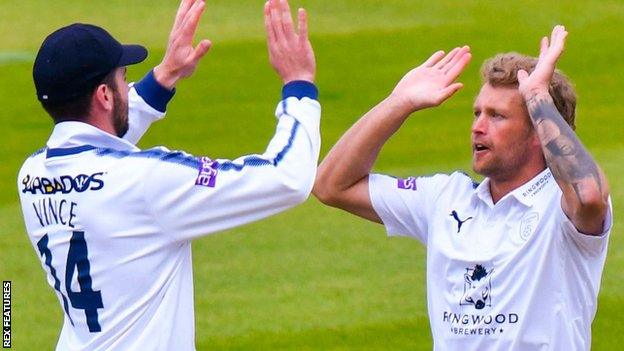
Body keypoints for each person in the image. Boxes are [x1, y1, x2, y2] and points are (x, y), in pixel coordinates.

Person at [17, 0, 319, 349]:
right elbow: (287, 178)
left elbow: (100, 144)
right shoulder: (148, 181)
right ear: (104, 95)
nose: (127, 90)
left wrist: (166, 75)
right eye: (122, 80)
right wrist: (299, 86)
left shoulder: (32, 175)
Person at [313, 26, 611, 350]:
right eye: (477, 113)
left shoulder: (562, 208)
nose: (477, 127)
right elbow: (331, 185)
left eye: (497, 116)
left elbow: (590, 195)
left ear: (539, 131)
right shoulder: (446, 199)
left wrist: (538, 95)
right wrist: (399, 103)